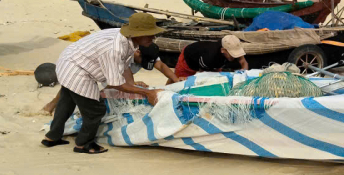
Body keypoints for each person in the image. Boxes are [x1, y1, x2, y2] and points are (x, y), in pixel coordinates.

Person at [41, 13, 166, 154]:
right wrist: (147, 92)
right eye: (150, 35)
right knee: (95, 110)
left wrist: (132, 85)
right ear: (137, 34)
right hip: (77, 68)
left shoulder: (127, 40)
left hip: (70, 58)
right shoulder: (115, 48)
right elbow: (115, 83)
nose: (153, 38)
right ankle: (84, 144)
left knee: (66, 103)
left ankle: (51, 137)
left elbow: (124, 68)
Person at [41, 43, 180, 115]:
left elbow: (161, 66)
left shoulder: (148, 51)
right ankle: (51, 106)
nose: (141, 65)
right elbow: (118, 81)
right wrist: (133, 85)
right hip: (97, 64)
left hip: (119, 71)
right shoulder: (120, 54)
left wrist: (176, 79)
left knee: (113, 88)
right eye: (140, 61)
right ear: (136, 52)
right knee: (73, 84)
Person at [174, 35, 249, 78]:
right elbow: (204, 74)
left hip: (215, 63)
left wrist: (244, 74)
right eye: (232, 54)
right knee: (177, 80)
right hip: (189, 58)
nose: (235, 56)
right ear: (223, 50)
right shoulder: (210, 57)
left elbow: (243, 62)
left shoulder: (233, 46)